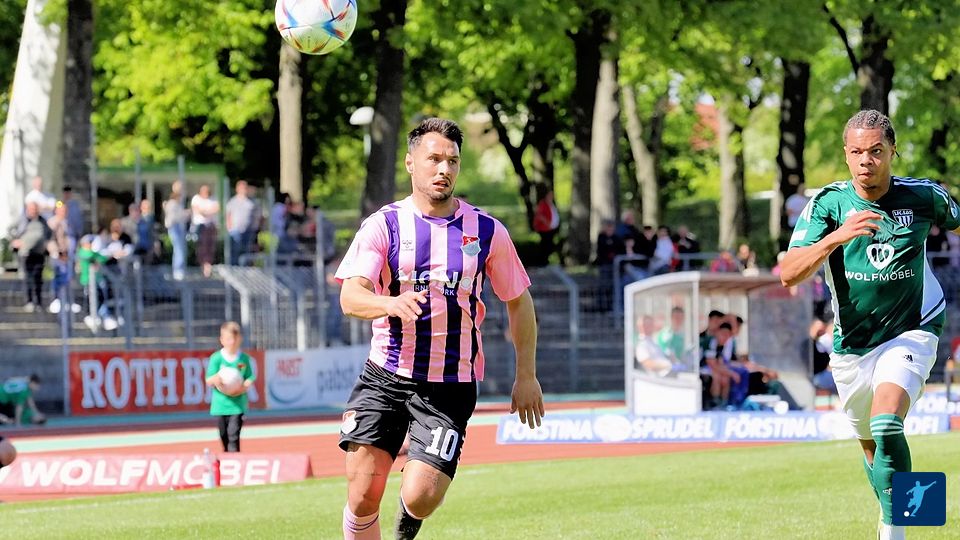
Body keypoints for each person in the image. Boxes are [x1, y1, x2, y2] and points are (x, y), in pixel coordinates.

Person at [335, 117, 543, 540]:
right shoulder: (385, 225)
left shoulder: (486, 231)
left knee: (422, 496)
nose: (444, 169)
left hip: (449, 385)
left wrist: (526, 375)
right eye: (434, 159)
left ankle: (406, 522)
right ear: (410, 163)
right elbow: (351, 296)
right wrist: (388, 303)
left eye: (452, 161)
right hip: (385, 377)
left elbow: (519, 301)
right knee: (362, 495)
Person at [780, 109, 960, 540]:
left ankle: (897, 531)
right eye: (858, 152)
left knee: (886, 424)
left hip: (913, 327)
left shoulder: (924, 196)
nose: (867, 160)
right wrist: (836, 237)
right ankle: (900, 511)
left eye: (876, 151)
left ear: (893, 151)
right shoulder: (828, 204)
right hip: (853, 345)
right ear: (846, 154)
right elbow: (788, 273)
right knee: (872, 449)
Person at [204, 321, 255, 453]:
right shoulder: (216, 358)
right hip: (220, 405)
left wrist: (244, 386)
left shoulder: (243, 359)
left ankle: (234, 459)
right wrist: (216, 379)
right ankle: (226, 456)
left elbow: (249, 377)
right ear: (222, 340)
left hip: (237, 405)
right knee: (223, 435)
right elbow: (209, 379)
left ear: (239, 339)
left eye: (234, 339)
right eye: (228, 339)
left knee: (233, 435)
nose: (231, 342)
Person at [11, 202, 51, 312]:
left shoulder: (42, 221)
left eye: (34, 209)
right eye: (31, 209)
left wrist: (46, 244)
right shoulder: (23, 221)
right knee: (28, 278)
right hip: (26, 253)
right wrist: (16, 241)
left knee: (38, 278)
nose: (33, 211)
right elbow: (12, 229)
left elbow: (48, 233)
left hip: (39, 253)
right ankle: (29, 301)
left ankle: (38, 302)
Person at [226, 180, 258, 265]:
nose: (244, 190)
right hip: (235, 230)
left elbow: (256, 216)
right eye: (242, 188)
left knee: (246, 251)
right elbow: (228, 215)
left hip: (248, 230)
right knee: (235, 250)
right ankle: (234, 268)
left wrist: (255, 227)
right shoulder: (232, 201)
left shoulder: (251, 202)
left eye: (245, 188)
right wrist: (230, 228)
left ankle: (244, 269)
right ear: (237, 189)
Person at [163, 181, 191, 280]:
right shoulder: (172, 203)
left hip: (178, 227)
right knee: (179, 250)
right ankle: (178, 271)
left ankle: (179, 270)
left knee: (181, 249)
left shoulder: (177, 204)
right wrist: (186, 213)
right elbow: (174, 218)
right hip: (175, 228)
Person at [191, 184, 220, 276]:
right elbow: (198, 211)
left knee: (210, 247)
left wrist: (205, 211)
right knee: (202, 247)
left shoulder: (213, 199)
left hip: (211, 226)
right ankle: (203, 266)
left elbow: (216, 209)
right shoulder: (196, 198)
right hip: (200, 226)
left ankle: (208, 266)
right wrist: (208, 211)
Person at [532, 187, 560, 266]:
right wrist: (548, 224)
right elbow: (540, 216)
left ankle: (546, 261)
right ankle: (542, 263)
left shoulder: (551, 204)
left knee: (549, 245)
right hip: (545, 229)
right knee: (545, 246)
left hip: (551, 229)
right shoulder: (543, 204)